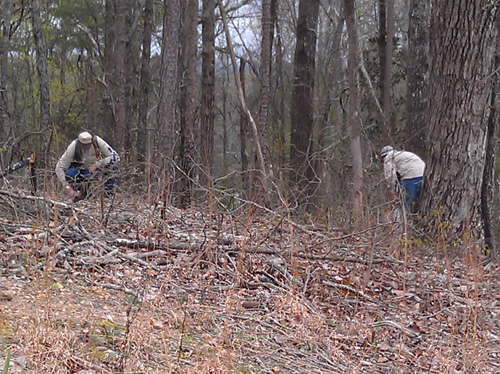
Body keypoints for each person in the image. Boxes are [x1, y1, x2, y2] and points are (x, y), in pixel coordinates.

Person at [55, 131, 120, 202]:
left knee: (113, 168)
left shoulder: (97, 142)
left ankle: (108, 195)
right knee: (69, 174)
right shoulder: (74, 146)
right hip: (81, 171)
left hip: (98, 170)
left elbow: (115, 157)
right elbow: (59, 167)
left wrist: (97, 164)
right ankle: (82, 193)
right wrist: (67, 187)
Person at [380, 145, 425, 212]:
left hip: (410, 177)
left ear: (383, 157)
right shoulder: (402, 154)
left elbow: (390, 176)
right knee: (419, 202)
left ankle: (407, 220)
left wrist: (394, 193)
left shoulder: (388, 158)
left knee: (405, 204)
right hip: (422, 174)